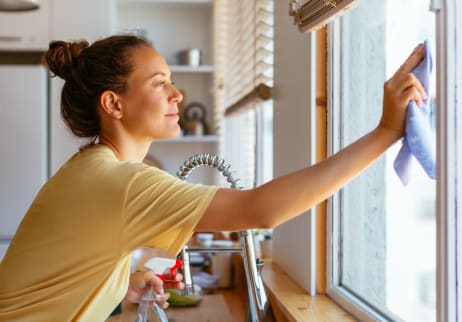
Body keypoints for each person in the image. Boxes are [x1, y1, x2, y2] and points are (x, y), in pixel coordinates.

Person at [0, 34, 426, 321]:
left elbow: (59, 272)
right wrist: (386, 132)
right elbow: (261, 210)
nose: (177, 94)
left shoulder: (95, 169)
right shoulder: (124, 182)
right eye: (159, 82)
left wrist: (118, 287)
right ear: (114, 103)